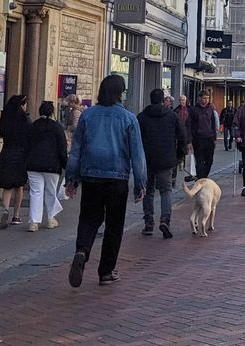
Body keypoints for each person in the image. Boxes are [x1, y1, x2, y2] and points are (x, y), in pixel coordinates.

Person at [64, 74, 147, 288]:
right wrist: (140, 184)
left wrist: (71, 179)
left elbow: (76, 150)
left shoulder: (88, 115)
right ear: (121, 92)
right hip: (117, 177)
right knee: (114, 224)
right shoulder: (128, 118)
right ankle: (106, 271)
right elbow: (137, 155)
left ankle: (82, 250)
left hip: (91, 175)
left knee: (89, 218)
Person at [136, 87, 186, 239]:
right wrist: (179, 155)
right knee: (166, 190)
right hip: (166, 159)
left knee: (148, 191)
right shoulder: (171, 115)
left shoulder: (142, 117)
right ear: (162, 100)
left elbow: (136, 139)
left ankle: (149, 223)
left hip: (147, 159)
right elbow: (182, 135)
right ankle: (165, 219)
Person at [25, 100, 68, 232]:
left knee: (35, 192)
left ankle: (34, 222)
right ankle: (50, 218)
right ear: (52, 112)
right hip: (52, 165)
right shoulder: (57, 127)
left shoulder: (33, 126)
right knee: (50, 191)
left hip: (33, 164)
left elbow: (27, 144)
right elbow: (62, 148)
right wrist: (65, 164)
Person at [0, 94, 31, 229]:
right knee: (19, 186)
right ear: (21, 105)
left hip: (6, 152)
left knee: (7, 186)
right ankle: (16, 215)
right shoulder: (24, 120)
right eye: (25, 104)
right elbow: (29, 137)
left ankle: (5, 210)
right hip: (20, 155)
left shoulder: (5, 119)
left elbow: (2, 134)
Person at [189, 90, 218, 179]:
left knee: (209, 161)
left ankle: (203, 177)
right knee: (200, 161)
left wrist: (214, 137)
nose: (206, 100)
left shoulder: (210, 109)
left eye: (208, 98)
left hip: (209, 138)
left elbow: (213, 123)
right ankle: (201, 179)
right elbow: (189, 125)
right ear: (199, 98)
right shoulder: (194, 110)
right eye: (204, 98)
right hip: (198, 139)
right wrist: (189, 140)